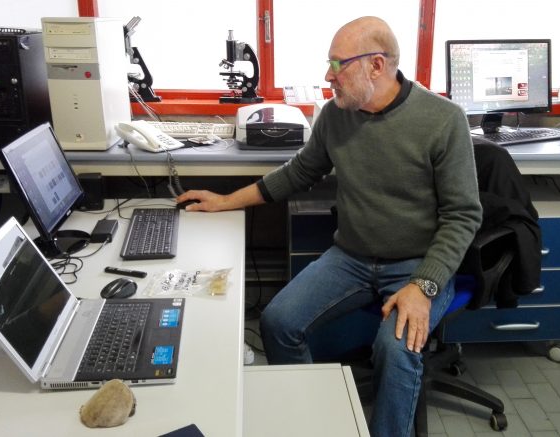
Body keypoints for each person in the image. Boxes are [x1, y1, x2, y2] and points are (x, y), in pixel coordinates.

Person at [176, 16, 481, 437]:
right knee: (278, 322)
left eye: (338, 64)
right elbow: (299, 171)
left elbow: (464, 215)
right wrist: (226, 201)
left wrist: (424, 286)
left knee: (396, 348)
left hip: (417, 264)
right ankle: (310, 422)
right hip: (351, 257)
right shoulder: (337, 115)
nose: (328, 76)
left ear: (376, 65)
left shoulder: (443, 119)